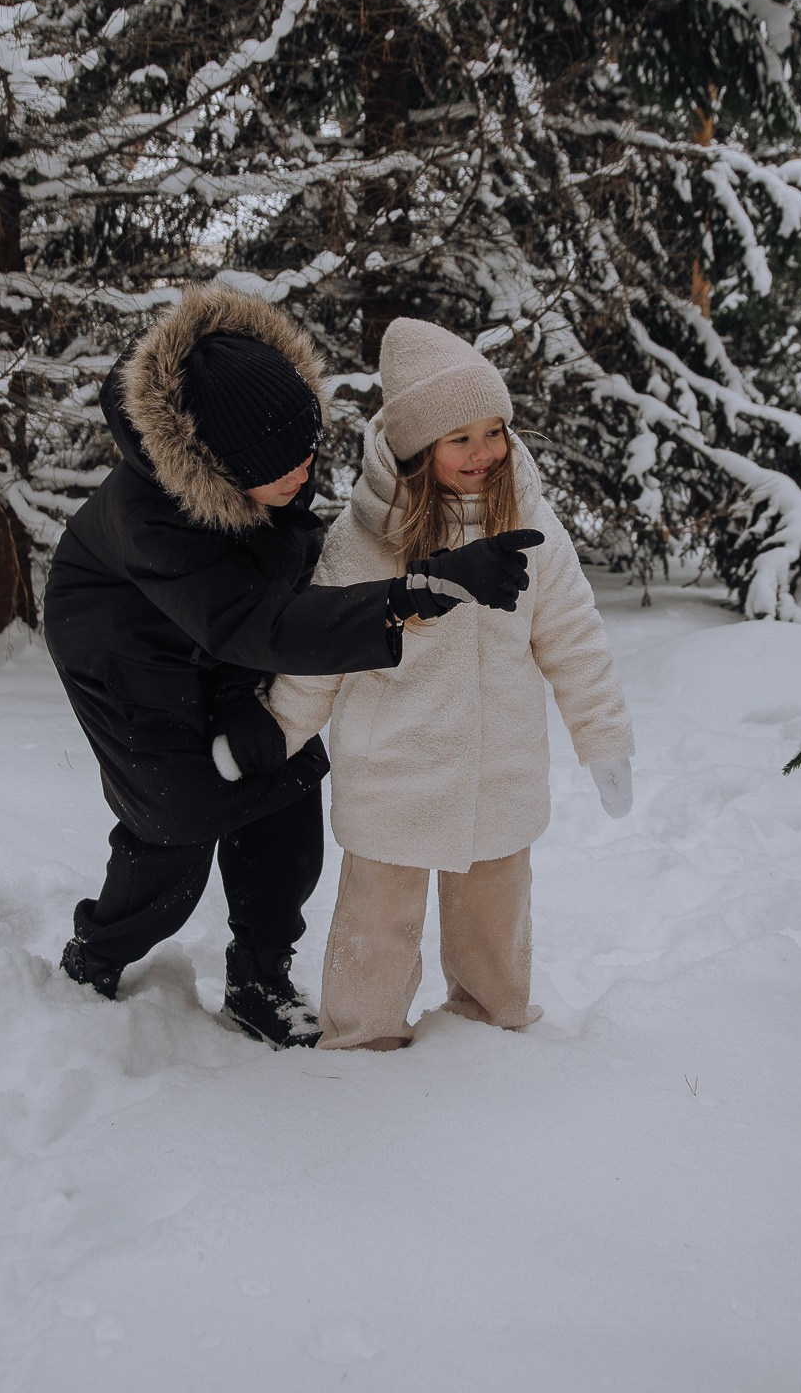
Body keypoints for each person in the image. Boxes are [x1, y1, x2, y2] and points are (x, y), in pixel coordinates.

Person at [43, 285, 542, 1046]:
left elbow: (284, 573)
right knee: (177, 828)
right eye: (283, 470)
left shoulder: (262, 450)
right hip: (127, 655)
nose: (303, 477)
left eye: (308, 455)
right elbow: (256, 622)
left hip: (232, 627)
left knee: (283, 787)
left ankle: (259, 978)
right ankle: (98, 953)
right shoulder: (149, 517)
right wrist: (412, 594)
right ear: (213, 466)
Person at [268, 317, 635, 1051]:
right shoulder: (363, 536)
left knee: (494, 921)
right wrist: (274, 734)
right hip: (392, 770)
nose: (484, 454)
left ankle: (492, 1029)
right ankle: (361, 1039)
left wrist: (604, 739)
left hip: (498, 769)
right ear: (415, 448)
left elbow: (572, 638)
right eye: (458, 439)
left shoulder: (533, 523)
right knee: (377, 927)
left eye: (492, 431)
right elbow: (321, 650)